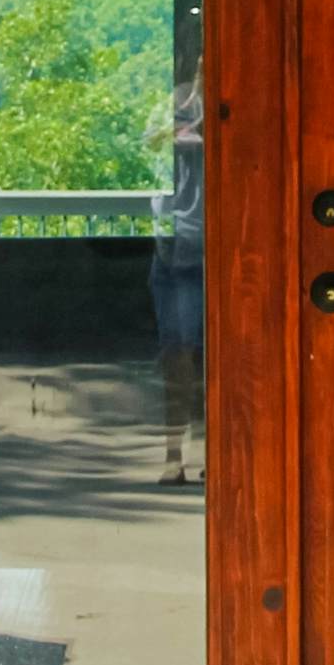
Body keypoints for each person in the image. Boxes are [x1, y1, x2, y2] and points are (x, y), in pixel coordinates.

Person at [148, 37, 207, 484]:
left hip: (215, 247)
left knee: (217, 361)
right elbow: (151, 144)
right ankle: (174, 456)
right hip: (173, 247)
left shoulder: (242, 108)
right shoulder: (176, 104)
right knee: (177, 357)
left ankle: (212, 453)